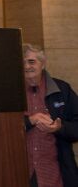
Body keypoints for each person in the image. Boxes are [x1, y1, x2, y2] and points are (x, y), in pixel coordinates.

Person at [23, 43, 78, 187]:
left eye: (31, 61)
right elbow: (0, 129)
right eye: (22, 62)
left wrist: (58, 128)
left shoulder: (62, 90)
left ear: (43, 63)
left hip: (55, 174)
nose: (26, 66)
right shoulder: (10, 93)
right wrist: (29, 121)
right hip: (20, 172)